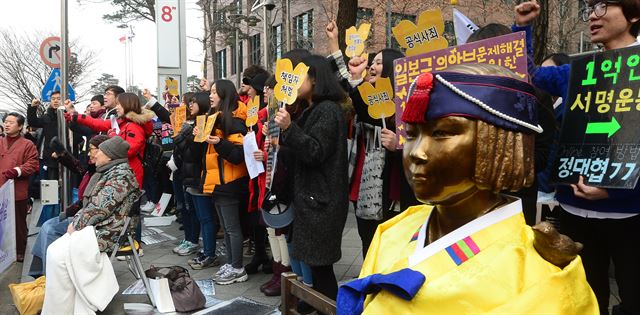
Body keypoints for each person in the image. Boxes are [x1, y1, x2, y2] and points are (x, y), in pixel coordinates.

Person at [336, 64, 598, 314]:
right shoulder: (394, 230)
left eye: (441, 134)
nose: (416, 152)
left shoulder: (539, 273)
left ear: (497, 143)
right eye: (412, 134)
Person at [516, 1, 640, 313]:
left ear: (634, 13)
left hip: (630, 216)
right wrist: (523, 27)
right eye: (588, 10)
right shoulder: (575, 72)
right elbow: (528, 75)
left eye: (602, 7)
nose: (592, 18)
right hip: (573, 212)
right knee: (580, 300)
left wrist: (617, 187)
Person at [275, 54, 349, 300]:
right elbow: (303, 151)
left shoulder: (328, 110)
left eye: (300, 76)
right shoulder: (312, 110)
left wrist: (288, 129)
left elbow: (315, 152)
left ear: (315, 79)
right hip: (313, 199)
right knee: (317, 269)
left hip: (321, 201)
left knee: (322, 269)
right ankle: (321, 306)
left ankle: (331, 308)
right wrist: (281, 141)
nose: (295, 82)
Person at [42, 136, 141, 314]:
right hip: (99, 227)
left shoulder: (121, 177)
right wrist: (77, 222)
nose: (94, 155)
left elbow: (99, 208)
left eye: (99, 152)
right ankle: (63, 305)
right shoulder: (111, 171)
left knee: (57, 255)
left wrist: (76, 224)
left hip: (109, 231)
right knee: (55, 253)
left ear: (109, 156)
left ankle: (68, 305)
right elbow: (93, 206)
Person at [28, 135, 110, 277]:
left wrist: (74, 219)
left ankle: (52, 276)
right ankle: (40, 274)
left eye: (92, 150)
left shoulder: (106, 173)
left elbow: (97, 207)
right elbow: (80, 168)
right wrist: (63, 155)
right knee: (47, 226)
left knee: (51, 229)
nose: (89, 153)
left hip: (94, 223)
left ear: (106, 152)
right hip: (84, 215)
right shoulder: (95, 169)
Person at [200, 79, 250, 285]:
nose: (210, 96)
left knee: (232, 228)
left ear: (225, 95)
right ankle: (231, 263)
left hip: (230, 182)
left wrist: (219, 143)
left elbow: (239, 155)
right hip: (217, 183)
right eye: (210, 92)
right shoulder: (215, 119)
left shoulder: (234, 121)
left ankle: (238, 268)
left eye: (214, 92)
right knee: (226, 227)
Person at [67, 92, 154, 188]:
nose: (116, 107)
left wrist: (113, 137)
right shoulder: (121, 122)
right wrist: (75, 116)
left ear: (127, 105)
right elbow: (97, 123)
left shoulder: (135, 127)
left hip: (130, 175)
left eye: (118, 104)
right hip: (122, 173)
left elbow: (129, 150)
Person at [173, 92, 214, 263]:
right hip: (189, 176)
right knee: (193, 212)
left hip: (200, 177)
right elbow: (184, 150)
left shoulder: (205, 123)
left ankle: (209, 252)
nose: (190, 105)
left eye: (194, 102)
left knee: (205, 218)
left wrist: (187, 136)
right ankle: (203, 249)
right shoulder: (194, 123)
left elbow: (194, 153)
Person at [0, 113, 39, 262]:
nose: (7, 125)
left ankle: (20, 251)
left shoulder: (27, 144)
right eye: (6, 122)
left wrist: (17, 171)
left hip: (17, 190)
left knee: (18, 223)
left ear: (20, 126)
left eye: (11, 122)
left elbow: (33, 164)